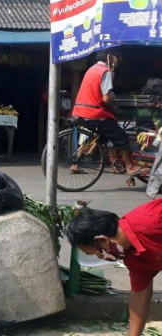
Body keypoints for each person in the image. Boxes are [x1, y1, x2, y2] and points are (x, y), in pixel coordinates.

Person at [66, 199, 162, 336]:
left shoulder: (151, 218)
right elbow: (140, 295)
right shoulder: (133, 257)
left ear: (101, 240)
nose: (100, 257)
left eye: (95, 253)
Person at [71, 48, 142, 176]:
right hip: (95, 113)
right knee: (122, 137)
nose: (117, 61)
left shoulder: (91, 69)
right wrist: (114, 109)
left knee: (96, 137)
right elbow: (106, 98)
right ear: (110, 58)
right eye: (116, 58)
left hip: (81, 111)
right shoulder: (106, 72)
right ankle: (130, 166)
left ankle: (76, 163)